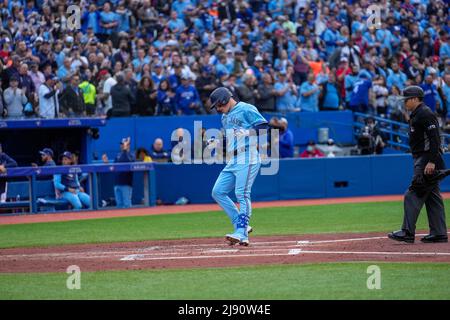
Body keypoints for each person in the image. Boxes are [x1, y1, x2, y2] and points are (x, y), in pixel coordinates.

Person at [209, 87, 269, 246]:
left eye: (218, 105)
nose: (218, 109)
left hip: (248, 155)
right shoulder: (224, 117)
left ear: (224, 99)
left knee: (242, 193)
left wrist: (246, 133)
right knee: (218, 192)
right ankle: (241, 225)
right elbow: (230, 139)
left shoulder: (247, 108)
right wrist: (217, 142)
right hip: (233, 158)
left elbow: (263, 128)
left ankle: (242, 233)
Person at [388, 86, 448, 244]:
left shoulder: (425, 113)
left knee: (413, 194)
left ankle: (407, 231)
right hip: (424, 159)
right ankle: (439, 233)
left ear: (415, 98)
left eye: (407, 99)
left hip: (426, 160)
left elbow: (435, 138)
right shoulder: (417, 114)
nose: (405, 102)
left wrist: (432, 161)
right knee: (432, 196)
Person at [102, 137, 135, 209]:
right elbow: (113, 168)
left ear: (128, 145)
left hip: (126, 183)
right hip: (117, 183)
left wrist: (125, 150)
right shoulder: (118, 155)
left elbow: (126, 161)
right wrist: (107, 163)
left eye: (124, 144)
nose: (122, 145)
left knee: (127, 204)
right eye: (121, 144)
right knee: (119, 205)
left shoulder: (131, 155)